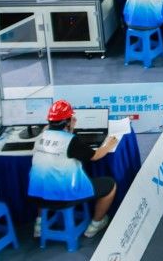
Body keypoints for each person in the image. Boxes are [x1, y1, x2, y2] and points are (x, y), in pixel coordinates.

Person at [29, 100, 118, 240]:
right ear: (68, 121)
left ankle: (39, 225)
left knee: (46, 179)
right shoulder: (71, 141)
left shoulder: (40, 137)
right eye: (72, 118)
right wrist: (108, 145)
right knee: (110, 185)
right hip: (63, 198)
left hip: (38, 196)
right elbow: (95, 156)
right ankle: (95, 225)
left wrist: (68, 126)